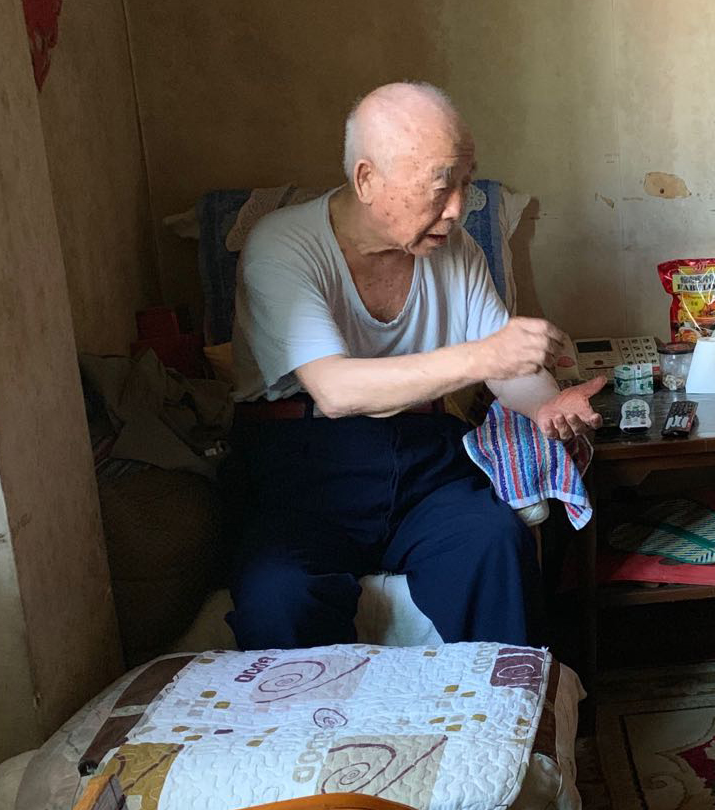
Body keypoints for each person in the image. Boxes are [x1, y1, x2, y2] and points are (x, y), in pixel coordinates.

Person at [225, 81, 603, 651]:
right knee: (279, 598)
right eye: (439, 186)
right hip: (301, 470)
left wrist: (549, 405)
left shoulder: (456, 249)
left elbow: (507, 371)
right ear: (366, 180)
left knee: (493, 543)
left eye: (465, 182)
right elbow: (334, 390)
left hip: (424, 460)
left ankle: (509, 707)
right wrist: (483, 355)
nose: (456, 208)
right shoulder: (282, 245)